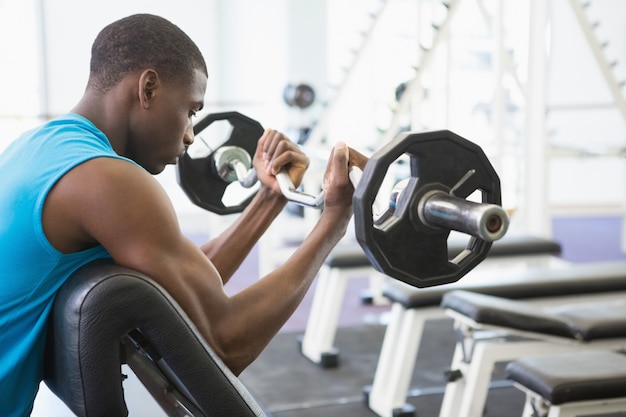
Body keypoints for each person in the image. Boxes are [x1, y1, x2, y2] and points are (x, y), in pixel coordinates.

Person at [0, 13, 367, 417]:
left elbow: (184, 283)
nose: (191, 134)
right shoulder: (107, 180)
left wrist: (269, 197)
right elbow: (226, 343)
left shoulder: (40, 149)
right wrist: (334, 220)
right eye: (191, 110)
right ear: (149, 88)